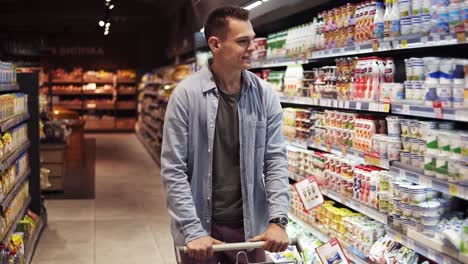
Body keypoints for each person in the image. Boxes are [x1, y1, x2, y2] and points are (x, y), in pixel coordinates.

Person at [160, 6, 290, 264]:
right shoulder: (186, 95)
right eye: (243, 41)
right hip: (201, 229)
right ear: (215, 44)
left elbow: (275, 161)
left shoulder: (264, 95)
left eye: (252, 40)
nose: (252, 47)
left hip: (252, 228)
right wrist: (192, 230)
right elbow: (173, 169)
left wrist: (277, 220)